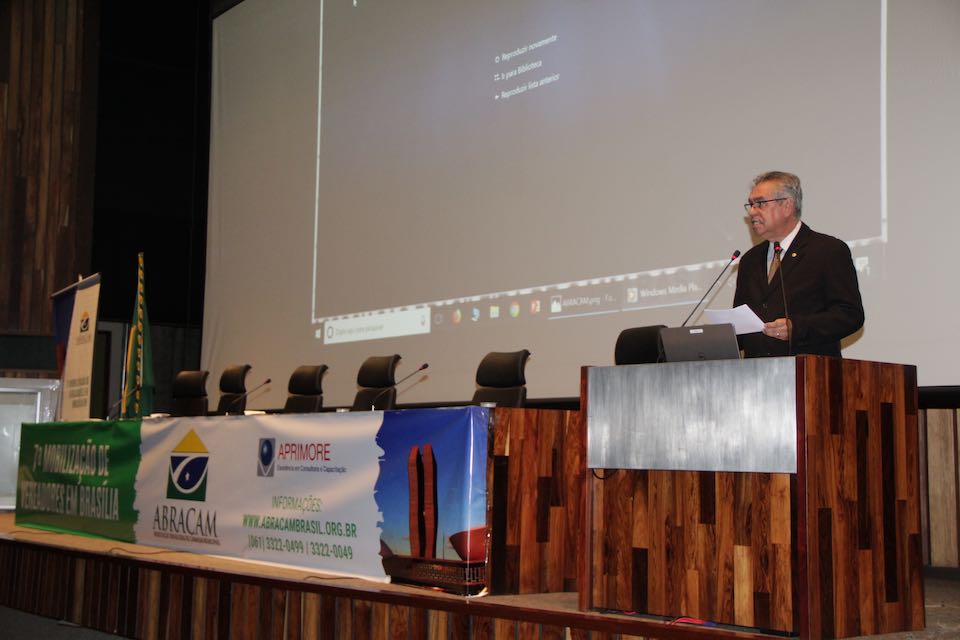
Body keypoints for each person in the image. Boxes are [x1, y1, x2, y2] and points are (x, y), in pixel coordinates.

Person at [733, 171, 864, 357]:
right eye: (751, 204)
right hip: (756, 371)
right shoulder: (750, 260)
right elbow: (742, 325)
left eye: (760, 203)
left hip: (809, 369)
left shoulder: (827, 250)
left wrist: (797, 328)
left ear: (787, 205)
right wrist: (715, 338)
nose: (752, 211)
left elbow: (849, 315)